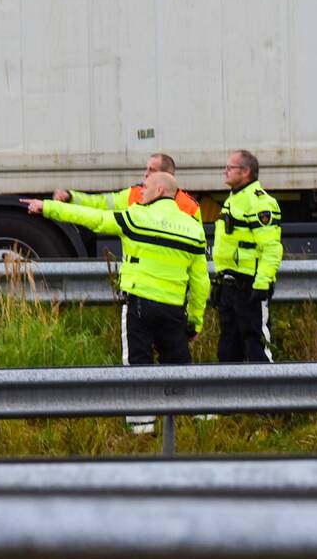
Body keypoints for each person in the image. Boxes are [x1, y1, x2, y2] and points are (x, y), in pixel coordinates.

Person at [21, 172, 209, 434]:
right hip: (174, 309)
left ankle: (142, 430)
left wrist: (48, 208)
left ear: (159, 191)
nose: (141, 191)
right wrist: (195, 321)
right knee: (180, 367)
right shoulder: (193, 228)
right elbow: (201, 282)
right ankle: (198, 426)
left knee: (138, 366)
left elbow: (94, 219)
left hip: (140, 306)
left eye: (145, 187)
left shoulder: (135, 217)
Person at [211, 149, 282, 362]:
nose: (225, 171)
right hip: (229, 285)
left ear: (245, 172)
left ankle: (265, 383)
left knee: (257, 346)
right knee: (228, 350)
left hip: (250, 286)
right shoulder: (235, 199)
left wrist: (262, 284)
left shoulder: (259, 202)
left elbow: (271, 248)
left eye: (230, 167)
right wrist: (219, 280)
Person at [52, 153, 201, 221]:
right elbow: (101, 203)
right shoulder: (134, 195)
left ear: (167, 175)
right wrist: (71, 197)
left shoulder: (190, 207)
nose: (146, 174)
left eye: (152, 170)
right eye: (146, 169)